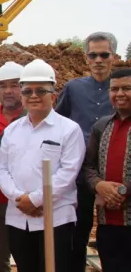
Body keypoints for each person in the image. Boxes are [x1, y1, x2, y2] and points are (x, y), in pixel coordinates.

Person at [0, 59, 85, 272]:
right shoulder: (12, 130)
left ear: (53, 95)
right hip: (18, 217)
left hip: (55, 218)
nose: (33, 96)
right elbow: (1, 169)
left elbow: (68, 173)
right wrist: (20, 199)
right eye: (27, 91)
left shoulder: (69, 130)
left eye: (40, 90)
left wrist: (35, 199)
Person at [56, 31, 119, 272]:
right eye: (93, 55)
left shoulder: (122, 88)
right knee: (78, 227)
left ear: (113, 56)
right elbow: (58, 122)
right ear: (86, 58)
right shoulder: (74, 89)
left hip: (113, 171)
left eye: (104, 54)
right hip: (79, 170)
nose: (98, 60)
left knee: (112, 230)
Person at [82, 68, 131, 271]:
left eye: (127, 88)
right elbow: (87, 166)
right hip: (108, 223)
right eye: (114, 89)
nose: (119, 94)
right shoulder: (102, 126)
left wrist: (122, 191)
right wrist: (99, 185)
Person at [0, 62, 24, 272]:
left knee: (28, 253)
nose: (8, 90)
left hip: (26, 200)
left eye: (15, 85)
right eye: (3, 85)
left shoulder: (33, 118)